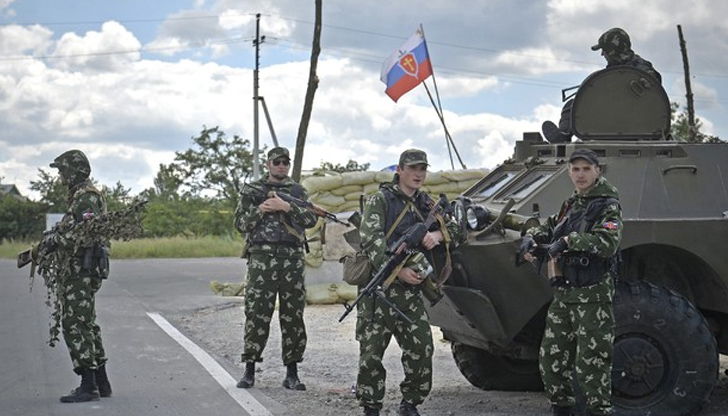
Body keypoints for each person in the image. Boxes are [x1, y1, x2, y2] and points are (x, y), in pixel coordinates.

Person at [356, 149, 462, 416]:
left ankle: (410, 403)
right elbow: (371, 240)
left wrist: (437, 235)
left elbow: (458, 229)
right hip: (379, 291)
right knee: (371, 355)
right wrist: (399, 270)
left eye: (422, 169)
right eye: (413, 168)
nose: (418, 174)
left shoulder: (427, 204)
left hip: (410, 293)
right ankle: (371, 406)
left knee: (421, 348)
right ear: (399, 171)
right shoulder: (380, 200)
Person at [520, 148, 623, 416]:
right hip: (565, 295)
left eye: (586, 169)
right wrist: (530, 237)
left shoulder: (607, 205)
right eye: (575, 169)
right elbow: (549, 226)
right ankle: (561, 408)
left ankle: (598, 411)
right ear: (568, 172)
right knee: (551, 360)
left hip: (593, 296)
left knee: (592, 364)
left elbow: (608, 243)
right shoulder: (572, 204)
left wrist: (569, 241)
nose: (580, 174)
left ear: (597, 171)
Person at [234, 146, 318, 390]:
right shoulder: (253, 191)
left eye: (285, 162)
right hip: (262, 258)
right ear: (268, 164)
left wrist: (287, 207)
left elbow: (311, 219)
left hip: (291, 259)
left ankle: (292, 373)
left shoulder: (296, 191)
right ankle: (249, 370)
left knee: (293, 316)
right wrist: (261, 209)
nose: (282, 166)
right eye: (277, 162)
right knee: (257, 313)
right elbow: (240, 223)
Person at [49, 149, 112, 403]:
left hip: (81, 270)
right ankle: (101, 381)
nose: (61, 176)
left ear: (75, 170)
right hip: (82, 269)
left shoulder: (86, 197)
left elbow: (86, 234)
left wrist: (56, 240)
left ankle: (88, 385)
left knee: (74, 323)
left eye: (63, 170)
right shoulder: (82, 196)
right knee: (86, 322)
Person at [542, 27, 662, 143]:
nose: (602, 55)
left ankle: (565, 134)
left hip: (634, 122)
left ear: (612, 51)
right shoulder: (616, 71)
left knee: (573, 105)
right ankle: (564, 135)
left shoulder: (641, 70)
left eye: (604, 50)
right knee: (572, 104)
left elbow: (652, 95)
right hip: (615, 119)